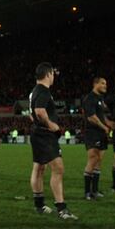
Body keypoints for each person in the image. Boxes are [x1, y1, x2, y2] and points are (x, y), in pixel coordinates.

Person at [28, 63, 77, 220]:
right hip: (45, 135)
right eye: (53, 74)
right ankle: (62, 208)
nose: (54, 77)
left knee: (39, 167)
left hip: (38, 134)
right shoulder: (43, 91)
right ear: (48, 74)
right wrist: (52, 126)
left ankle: (39, 205)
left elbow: (31, 114)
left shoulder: (34, 92)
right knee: (58, 168)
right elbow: (39, 112)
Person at [83, 77, 112, 200]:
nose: (105, 85)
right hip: (92, 132)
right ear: (95, 84)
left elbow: (101, 115)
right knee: (93, 158)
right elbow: (91, 117)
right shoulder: (90, 98)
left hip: (101, 133)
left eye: (106, 83)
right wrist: (104, 127)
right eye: (103, 83)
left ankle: (94, 190)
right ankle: (87, 192)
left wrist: (109, 124)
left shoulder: (100, 98)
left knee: (99, 160)